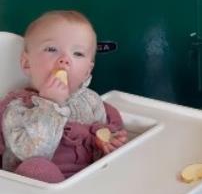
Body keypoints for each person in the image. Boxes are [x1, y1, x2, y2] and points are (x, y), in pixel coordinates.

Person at [0, 10, 127, 183]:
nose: (64, 59)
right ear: (27, 63)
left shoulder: (91, 101)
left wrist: (103, 142)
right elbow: (34, 154)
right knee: (36, 168)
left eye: (78, 54)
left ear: (87, 71)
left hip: (86, 182)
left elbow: (100, 143)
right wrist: (50, 104)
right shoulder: (17, 109)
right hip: (39, 192)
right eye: (52, 49)